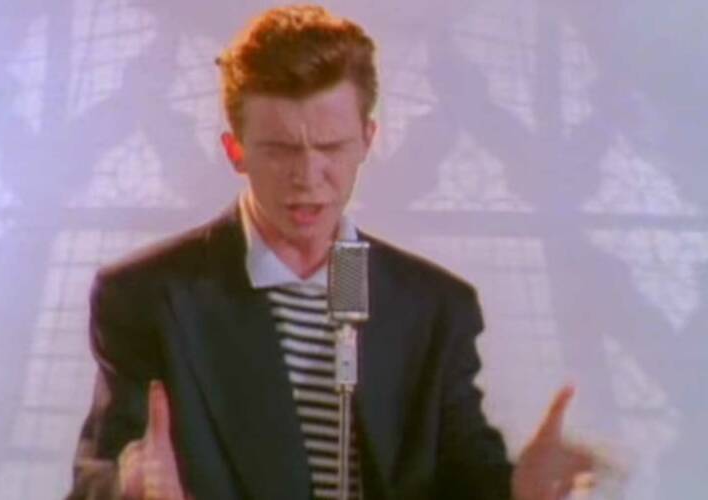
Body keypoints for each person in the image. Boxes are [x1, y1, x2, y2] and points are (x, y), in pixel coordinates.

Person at [67, 5, 594, 499]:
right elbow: (100, 473)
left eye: (331, 147)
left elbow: (466, 478)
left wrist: (519, 489)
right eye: (280, 149)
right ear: (236, 151)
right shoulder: (149, 298)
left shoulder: (433, 308)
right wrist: (127, 486)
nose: (307, 176)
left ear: (367, 140)